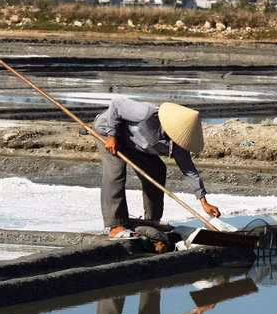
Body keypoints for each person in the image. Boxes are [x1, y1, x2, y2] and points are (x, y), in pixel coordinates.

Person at [93, 96, 220, 238]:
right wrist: (111, 135)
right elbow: (116, 104)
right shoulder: (147, 112)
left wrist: (204, 201)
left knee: (157, 169)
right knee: (116, 171)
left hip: (135, 143)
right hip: (109, 132)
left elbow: (189, 170)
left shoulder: (178, 143)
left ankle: (152, 221)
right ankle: (114, 225)